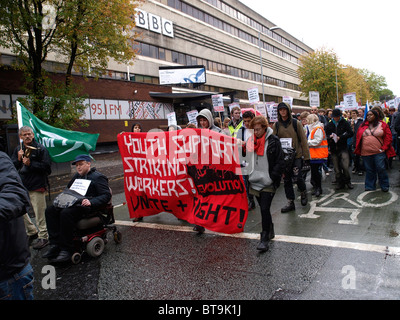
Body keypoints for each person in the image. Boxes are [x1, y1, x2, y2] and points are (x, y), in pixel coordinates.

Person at [44, 154, 111, 263]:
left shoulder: (98, 177)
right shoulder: (77, 176)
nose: (78, 167)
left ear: (88, 163)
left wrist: (91, 201)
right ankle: (55, 244)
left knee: (66, 213)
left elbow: (106, 195)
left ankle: (66, 249)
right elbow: (68, 190)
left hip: (87, 207)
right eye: (77, 165)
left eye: (81, 164)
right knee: (50, 210)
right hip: (74, 203)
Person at [247, 116, 284, 251]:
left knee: (263, 208)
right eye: (253, 130)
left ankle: (264, 238)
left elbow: (280, 161)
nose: (256, 132)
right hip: (254, 180)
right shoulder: (250, 141)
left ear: (264, 127)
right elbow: (245, 159)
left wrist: (272, 177)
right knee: (265, 209)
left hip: (268, 181)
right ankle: (270, 228)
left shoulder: (274, 141)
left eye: (258, 129)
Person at [0, 150, 34, 300]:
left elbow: (15, 192)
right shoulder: (16, 152)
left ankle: (43, 235)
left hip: (8, 270)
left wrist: (29, 164)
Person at [11, 125, 52, 250]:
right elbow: (12, 167)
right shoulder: (19, 149)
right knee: (20, 210)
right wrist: (18, 159)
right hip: (22, 186)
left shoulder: (40, 149)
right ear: (20, 137)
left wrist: (31, 164)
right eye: (24, 134)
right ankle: (31, 231)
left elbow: (47, 168)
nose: (27, 136)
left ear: (33, 135)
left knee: (39, 213)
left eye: (29, 134)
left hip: (37, 185)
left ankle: (44, 236)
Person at [273, 102, 310, 213]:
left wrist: (306, 157)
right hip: (284, 157)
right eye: (280, 110)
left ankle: (303, 192)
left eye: (284, 109)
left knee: (298, 177)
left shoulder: (296, 123)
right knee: (287, 179)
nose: (283, 112)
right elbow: (274, 140)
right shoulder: (277, 125)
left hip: (296, 155)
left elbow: (303, 140)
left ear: (288, 110)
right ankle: (290, 201)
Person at [354, 109, 396, 192]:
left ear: (375, 116)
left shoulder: (382, 124)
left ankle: (384, 185)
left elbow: (388, 137)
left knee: (381, 168)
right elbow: (357, 137)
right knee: (369, 169)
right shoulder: (363, 125)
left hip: (378, 152)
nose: (369, 116)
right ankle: (370, 186)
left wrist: (383, 148)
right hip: (365, 152)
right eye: (368, 115)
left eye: (371, 115)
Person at [325, 109, 354, 190]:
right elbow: (325, 136)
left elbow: (351, 133)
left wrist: (341, 137)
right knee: (337, 168)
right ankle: (339, 182)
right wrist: (330, 137)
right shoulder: (329, 124)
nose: (336, 118)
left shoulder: (344, 123)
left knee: (345, 166)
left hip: (343, 147)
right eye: (334, 117)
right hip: (334, 148)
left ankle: (348, 181)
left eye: (337, 117)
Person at [236, 110, 256, 210]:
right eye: (245, 121)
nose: (247, 123)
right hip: (244, 158)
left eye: (249, 121)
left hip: (256, 158)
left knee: (255, 180)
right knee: (246, 181)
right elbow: (237, 142)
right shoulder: (241, 130)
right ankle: (251, 200)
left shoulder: (257, 129)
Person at [306, 114, 328, 197]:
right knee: (314, 173)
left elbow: (317, 141)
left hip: (318, 155)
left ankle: (318, 188)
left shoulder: (317, 129)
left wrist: (307, 143)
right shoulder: (312, 128)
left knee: (316, 173)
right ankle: (316, 188)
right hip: (313, 155)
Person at [349, 109, 364, 176]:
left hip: (359, 140)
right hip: (353, 140)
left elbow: (359, 131)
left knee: (359, 155)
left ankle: (360, 168)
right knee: (354, 155)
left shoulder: (360, 122)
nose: (353, 115)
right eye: (352, 113)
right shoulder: (349, 121)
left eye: (354, 113)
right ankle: (356, 166)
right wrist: (351, 126)